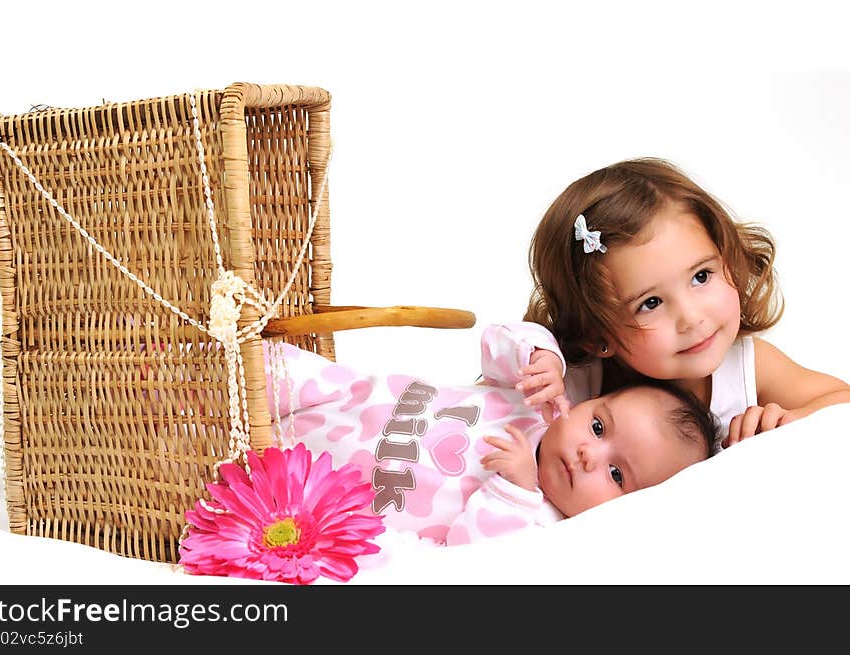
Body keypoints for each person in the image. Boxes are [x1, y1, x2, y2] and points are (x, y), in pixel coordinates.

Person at [260, 322, 718, 547]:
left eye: (617, 474)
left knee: (247, 493)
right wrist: (540, 357)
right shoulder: (538, 402)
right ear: (586, 403)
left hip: (317, 491)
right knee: (269, 369)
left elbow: (471, 560)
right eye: (598, 427)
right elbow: (494, 341)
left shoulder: (542, 524)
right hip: (337, 399)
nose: (586, 454)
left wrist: (514, 492)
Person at [523, 157, 850, 449]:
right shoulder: (580, 388)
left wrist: (790, 419)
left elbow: (841, 401)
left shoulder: (746, 367)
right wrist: (536, 359)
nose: (692, 318)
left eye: (701, 276)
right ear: (596, 336)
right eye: (650, 303)